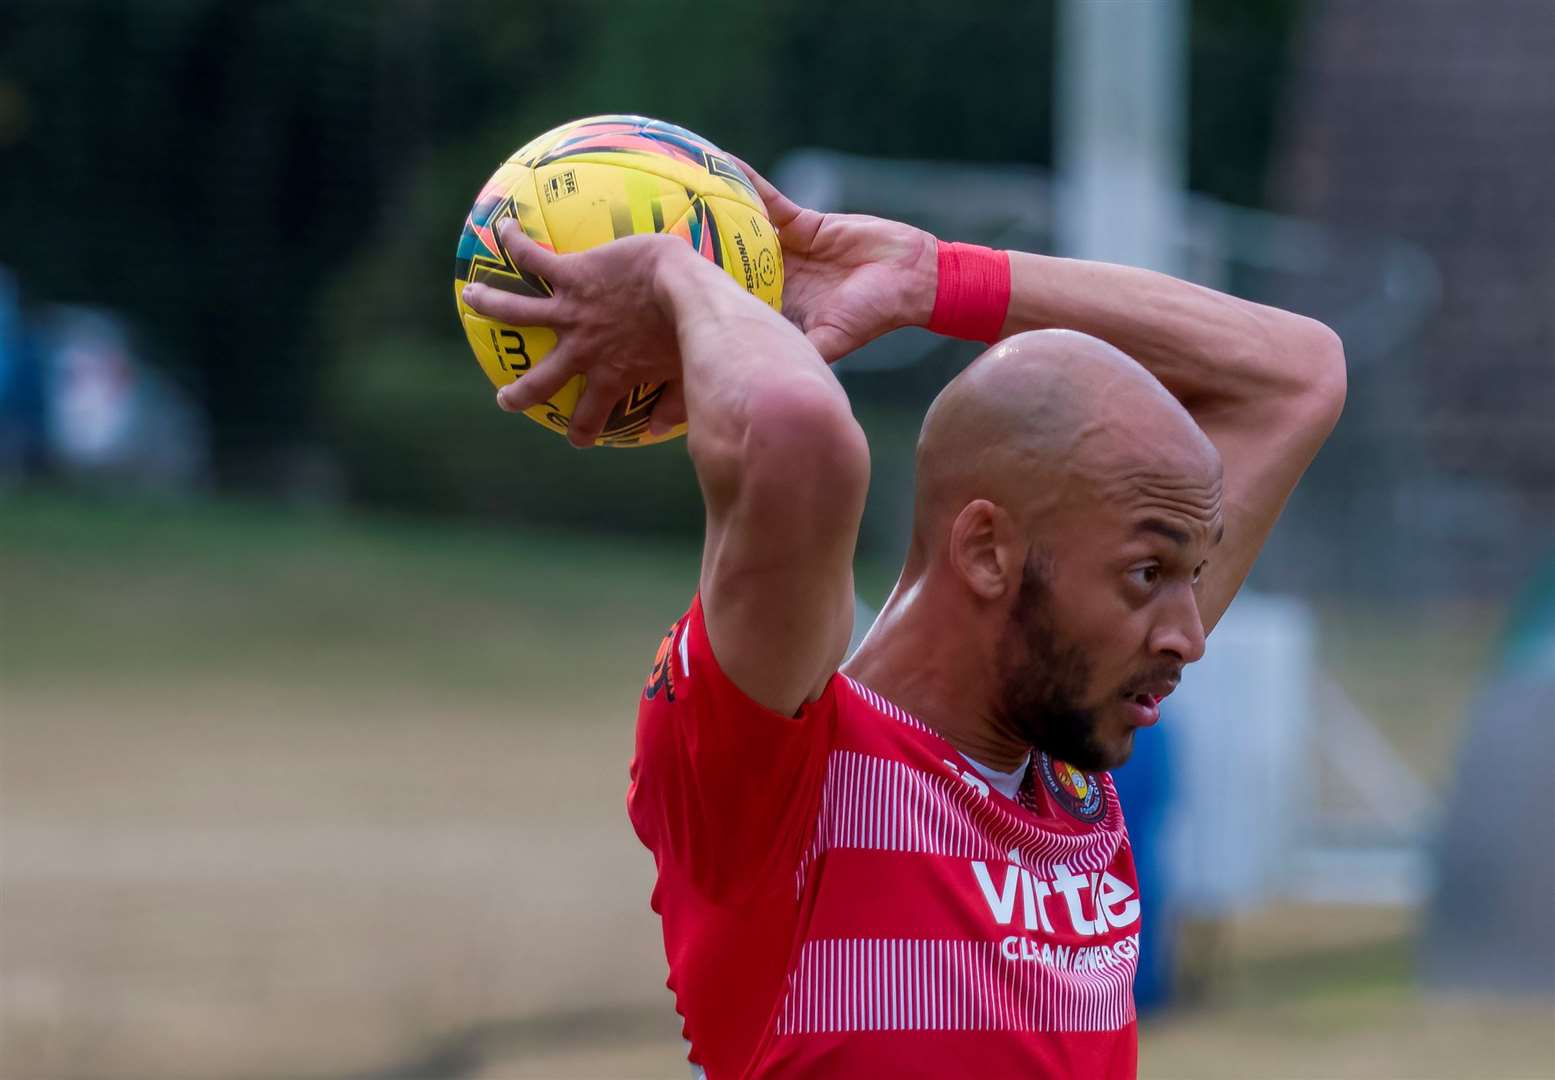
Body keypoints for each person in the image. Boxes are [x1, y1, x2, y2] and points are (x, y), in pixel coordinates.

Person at [461, 162, 1345, 1079]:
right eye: (1148, 572)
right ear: (987, 552)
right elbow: (797, 433)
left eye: (1188, 575)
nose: (1188, 632)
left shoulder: (1071, 736)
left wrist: (935, 278)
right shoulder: (776, 773)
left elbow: (1296, 373)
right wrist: (678, 277)